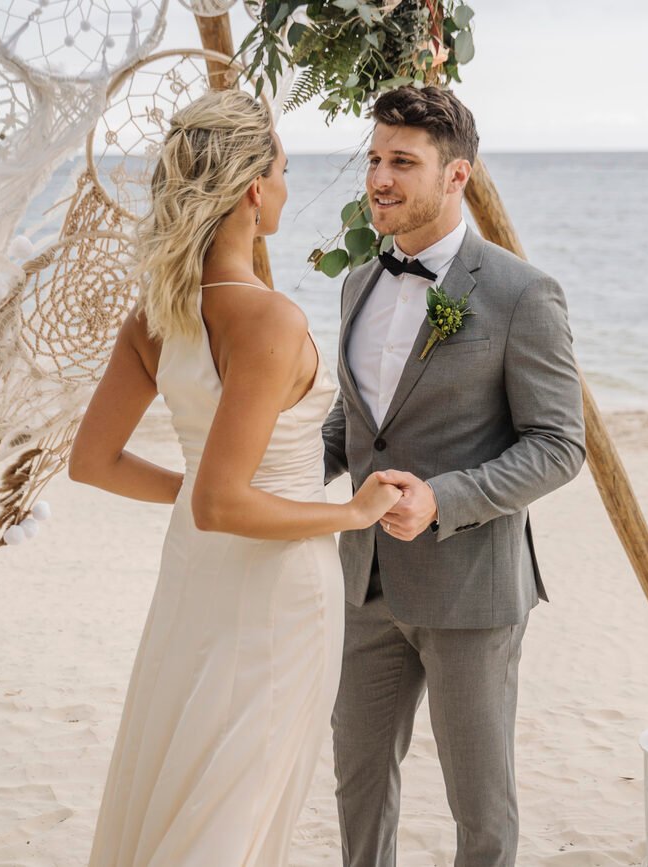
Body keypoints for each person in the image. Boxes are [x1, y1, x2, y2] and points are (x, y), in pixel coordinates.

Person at [68, 89, 401, 867]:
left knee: (187, 767)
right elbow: (223, 499)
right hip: (280, 587)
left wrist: (192, 495)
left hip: (192, 575)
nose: (286, 185)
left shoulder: (156, 314)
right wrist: (349, 514)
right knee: (240, 795)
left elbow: (96, 462)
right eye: (282, 170)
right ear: (254, 189)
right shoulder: (271, 320)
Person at [323, 86, 587, 867]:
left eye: (403, 161)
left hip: (472, 594)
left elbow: (558, 443)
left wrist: (445, 499)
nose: (380, 178)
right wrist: (267, 474)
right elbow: (354, 427)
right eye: (375, 159)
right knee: (357, 777)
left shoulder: (520, 293)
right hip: (364, 584)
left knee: (480, 804)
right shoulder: (356, 284)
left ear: (457, 176)